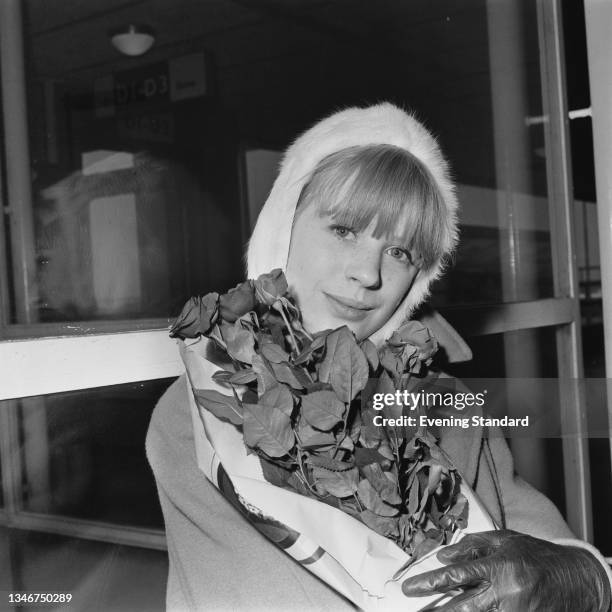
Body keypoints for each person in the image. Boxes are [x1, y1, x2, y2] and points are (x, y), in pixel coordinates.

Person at [146, 103, 612, 611]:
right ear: (284, 228)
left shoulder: (447, 405)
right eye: (344, 230)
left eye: (400, 252)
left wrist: (582, 578)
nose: (368, 274)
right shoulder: (203, 411)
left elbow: (540, 540)